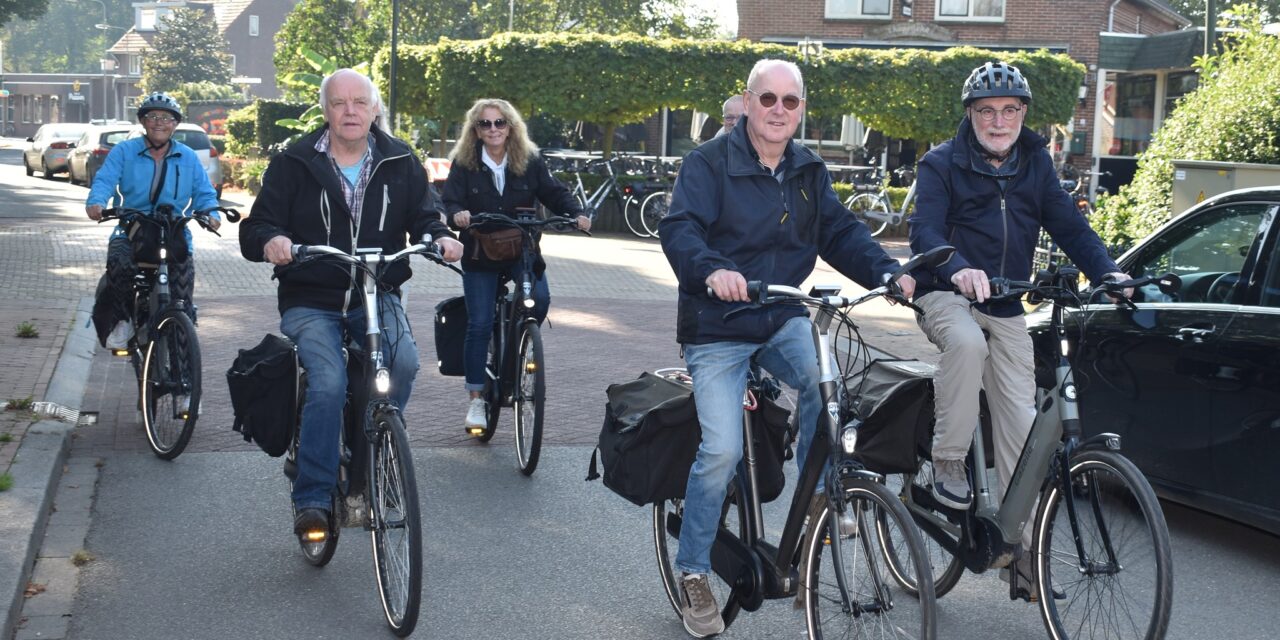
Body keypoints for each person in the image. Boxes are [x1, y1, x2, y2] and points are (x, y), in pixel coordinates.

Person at [658, 59, 914, 638]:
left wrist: (887, 273)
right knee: (722, 450)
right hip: (718, 323)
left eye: (789, 102)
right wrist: (711, 270)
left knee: (829, 395)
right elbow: (681, 231)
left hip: (778, 316)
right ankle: (694, 570)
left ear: (801, 109)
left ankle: (822, 511)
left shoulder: (807, 168)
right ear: (747, 103)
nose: (778, 111)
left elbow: (840, 231)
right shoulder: (707, 163)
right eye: (767, 99)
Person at [908, 61, 1129, 592]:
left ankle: (1021, 548)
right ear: (971, 115)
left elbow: (1069, 225)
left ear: (1023, 114)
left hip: (1007, 303)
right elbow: (925, 231)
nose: (998, 121)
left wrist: (1108, 271)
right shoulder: (941, 163)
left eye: (1009, 111)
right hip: (947, 292)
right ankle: (947, 462)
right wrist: (955, 266)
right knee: (963, 343)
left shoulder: (1035, 164)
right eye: (987, 111)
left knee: (1023, 426)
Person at [239, 69, 463, 537]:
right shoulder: (294, 161)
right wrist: (273, 239)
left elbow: (426, 214)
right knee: (328, 381)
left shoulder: (400, 159)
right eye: (339, 103)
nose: (350, 111)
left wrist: (439, 236)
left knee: (402, 365)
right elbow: (256, 226)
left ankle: (376, 459)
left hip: (376, 292)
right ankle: (314, 497)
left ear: (374, 108)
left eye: (359, 102)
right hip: (311, 297)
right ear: (326, 110)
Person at [442, 98, 590, 434]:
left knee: (539, 300)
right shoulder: (465, 164)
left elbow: (554, 193)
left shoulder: (529, 160)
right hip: (480, 252)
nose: (493, 129)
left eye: (499, 123)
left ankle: (520, 337)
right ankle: (477, 399)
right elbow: (450, 198)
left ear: (510, 126)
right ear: (475, 130)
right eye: (485, 124)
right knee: (479, 323)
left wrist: (576, 213)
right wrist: (456, 215)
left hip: (521, 250)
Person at [86, 92, 221, 352]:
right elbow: (105, 180)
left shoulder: (188, 157)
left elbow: (204, 191)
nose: (159, 122)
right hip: (131, 226)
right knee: (119, 264)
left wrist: (211, 214)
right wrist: (97, 203)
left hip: (173, 230)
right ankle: (122, 320)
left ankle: (183, 371)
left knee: (181, 292)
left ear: (175, 124)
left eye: (167, 118)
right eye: (153, 117)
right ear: (143, 122)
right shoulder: (125, 151)